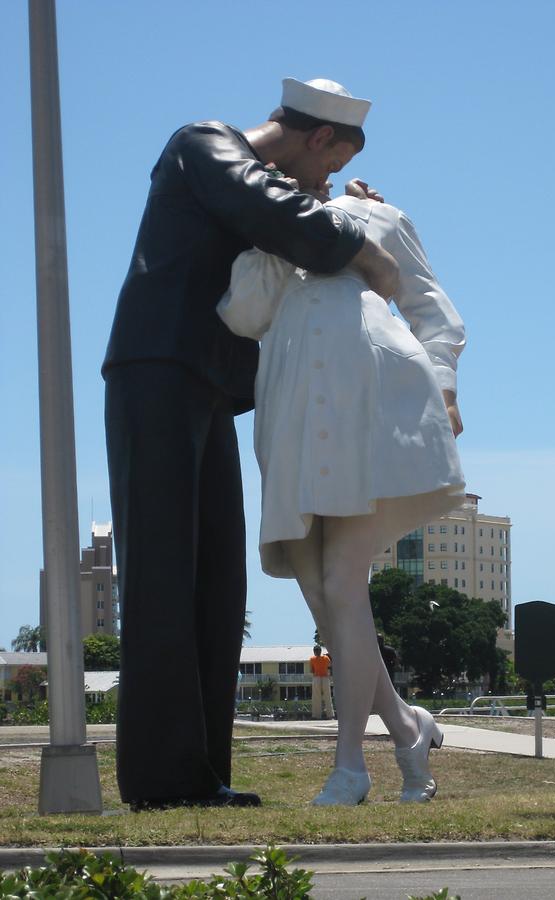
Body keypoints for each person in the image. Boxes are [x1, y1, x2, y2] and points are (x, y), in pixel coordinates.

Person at [102, 77, 398, 811]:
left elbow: (297, 222)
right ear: (317, 137)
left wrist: (341, 211)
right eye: (327, 167)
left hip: (202, 385)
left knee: (213, 586)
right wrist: (359, 243)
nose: (324, 181)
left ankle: (198, 774)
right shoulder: (204, 142)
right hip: (157, 371)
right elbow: (292, 222)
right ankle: (162, 779)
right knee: (164, 577)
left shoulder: (264, 181)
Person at [219, 180, 466, 805]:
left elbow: (431, 306)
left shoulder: (376, 214)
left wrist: (445, 385)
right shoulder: (266, 232)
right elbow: (245, 316)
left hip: (371, 401)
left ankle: (350, 764)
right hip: (293, 411)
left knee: (341, 584)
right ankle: (409, 727)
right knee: (327, 599)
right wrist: (271, 234)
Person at [309, 644, 335, 719]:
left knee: (320, 696)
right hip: (322, 678)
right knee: (324, 696)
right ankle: (328, 715)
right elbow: (330, 666)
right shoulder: (325, 658)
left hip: (320, 677)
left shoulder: (313, 659)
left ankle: (318, 715)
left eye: (317, 650)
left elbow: (312, 670)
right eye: (316, 650)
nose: (316, 652)